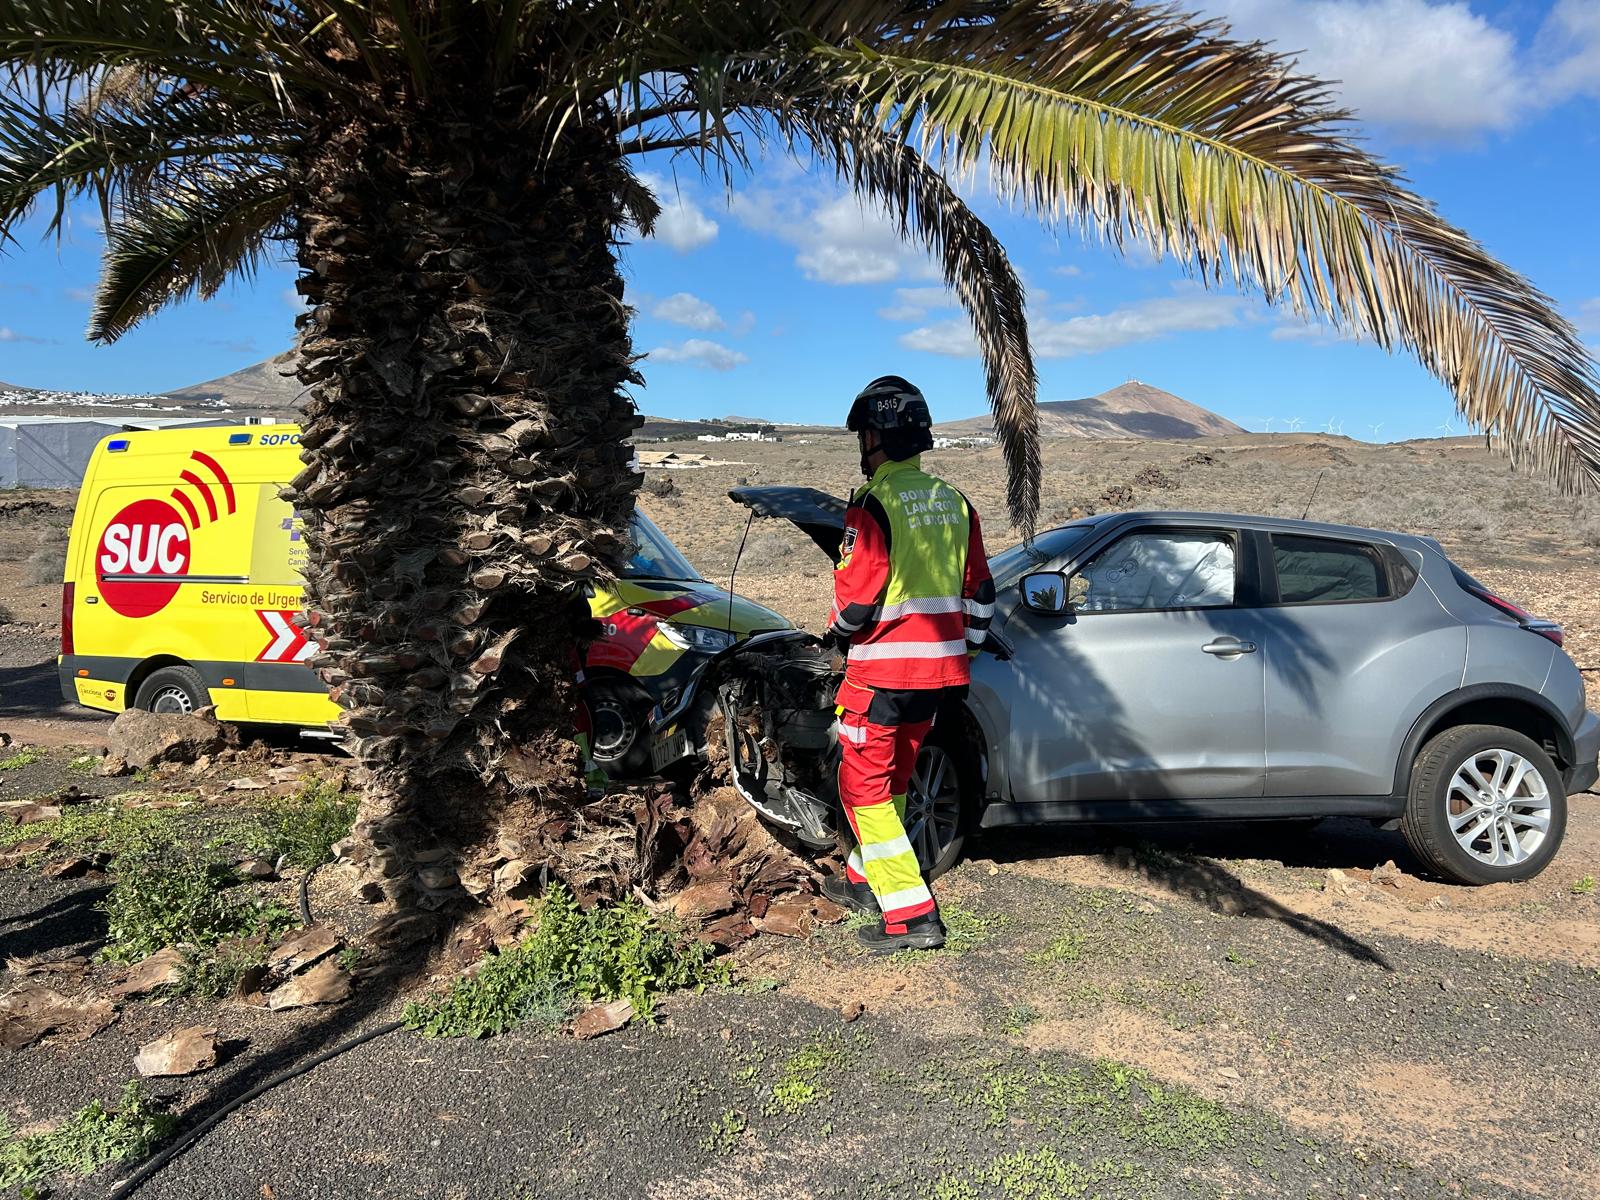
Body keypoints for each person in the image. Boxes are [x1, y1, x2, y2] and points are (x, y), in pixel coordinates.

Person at [819, 375, 994, 952]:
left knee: (861, 787)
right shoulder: (954, 501)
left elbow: (858, 602)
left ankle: (912, 913)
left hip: (882, 675)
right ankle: (862, 880)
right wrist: (959, 650)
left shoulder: (873, 504)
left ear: (876, 437)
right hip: (939, 678)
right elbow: (981, 597)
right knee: (894, 778)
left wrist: (833, 633)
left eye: (863, 436)